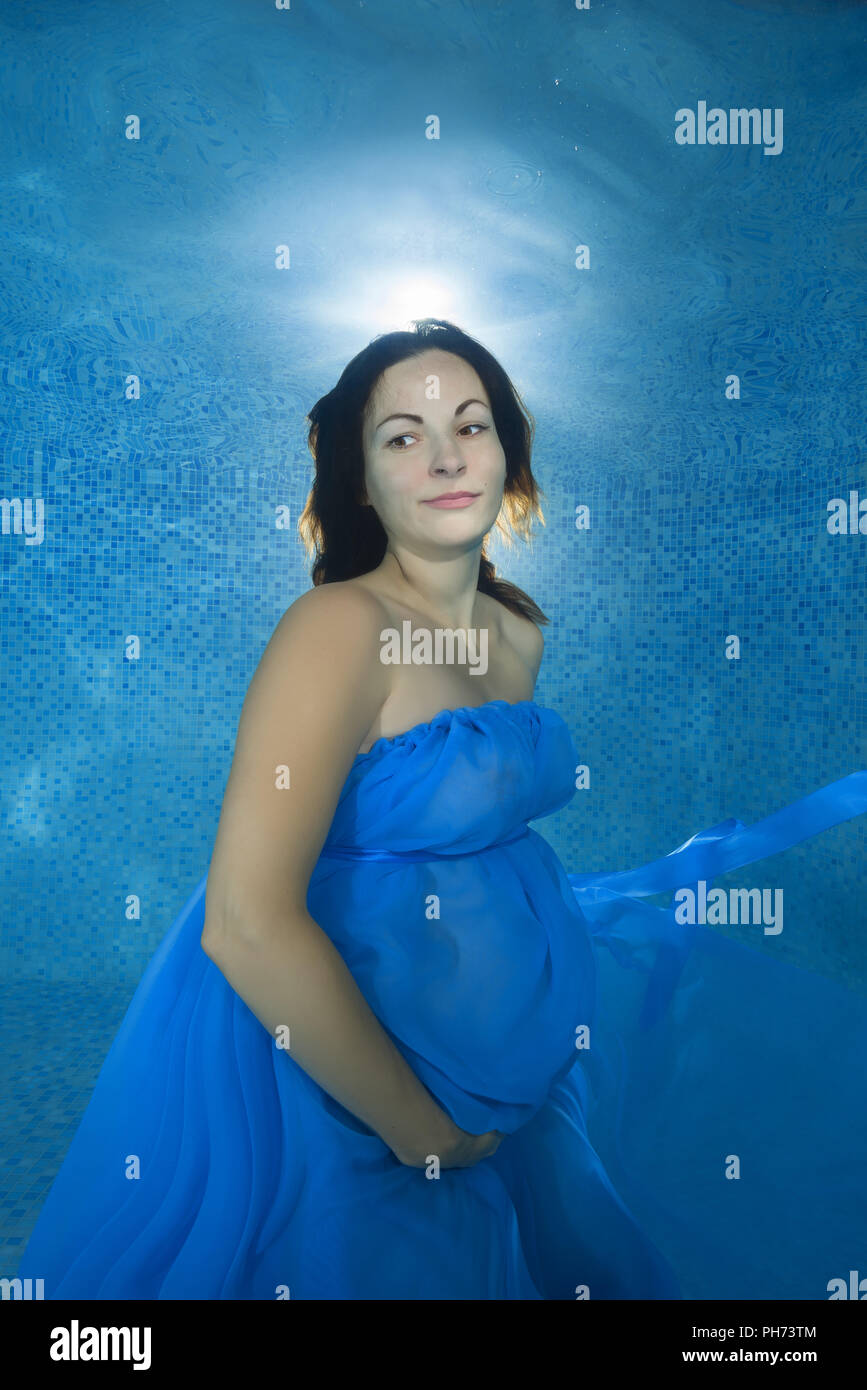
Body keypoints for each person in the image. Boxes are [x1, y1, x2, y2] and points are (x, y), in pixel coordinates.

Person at [16, 319, 867, 1300]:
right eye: (402, 436)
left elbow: (476, 847)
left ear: (509, 449)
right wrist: (422, 1131)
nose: (446, 455)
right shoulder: (339, 628)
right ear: (361, 479)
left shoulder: (516, 632)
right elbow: (246, 920)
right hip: (353, 1082)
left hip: (514, 1068)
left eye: (470, 424)